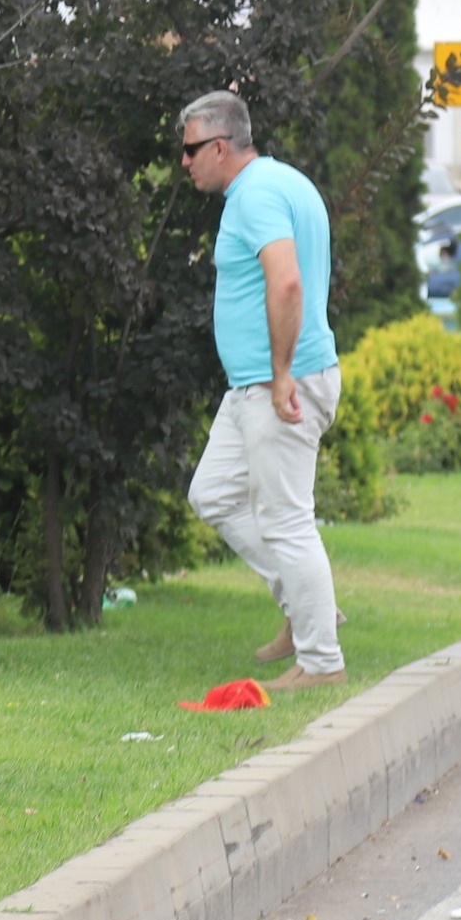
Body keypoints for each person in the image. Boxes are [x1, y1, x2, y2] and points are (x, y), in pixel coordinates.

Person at [178, 90, 346, 691]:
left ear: (221, 146)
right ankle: (305, 610)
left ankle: (321, 662)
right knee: (214, 493)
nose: (186, 161)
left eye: (192, 148)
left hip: (283, 383)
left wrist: (280, 376)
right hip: (255, 384)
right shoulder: (285, 183)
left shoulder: (254, 197)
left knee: (286, 521)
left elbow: (288, 282)